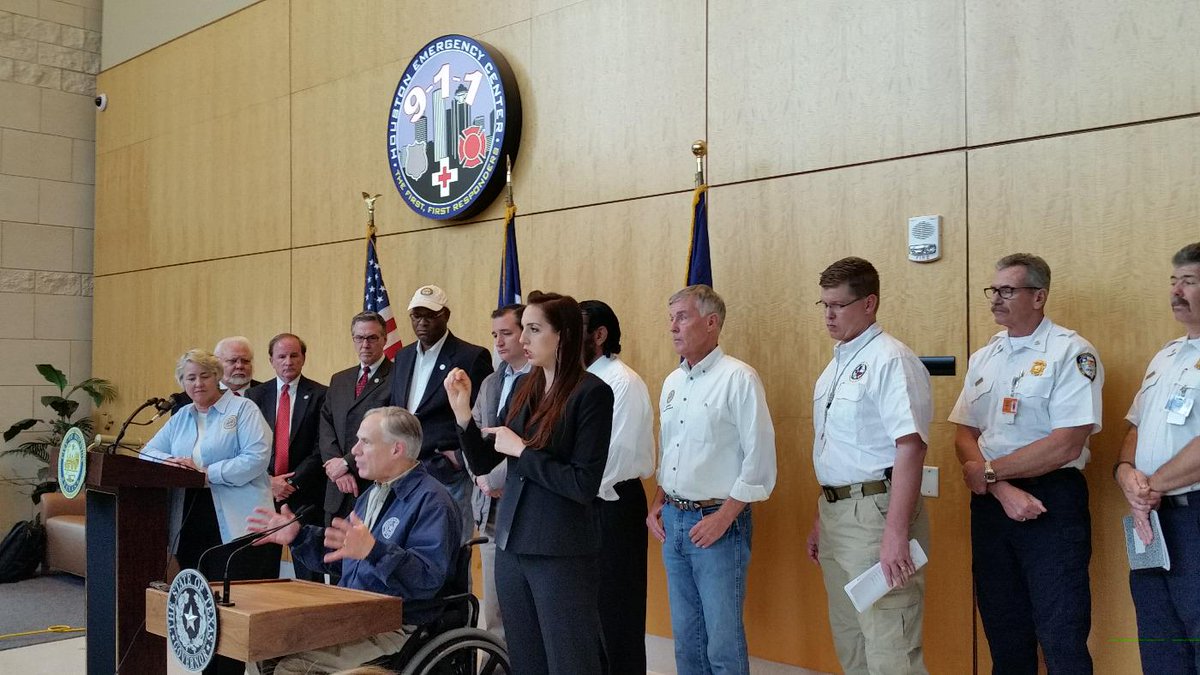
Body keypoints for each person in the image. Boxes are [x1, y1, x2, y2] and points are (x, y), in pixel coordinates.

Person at [446, 290, 613, 675]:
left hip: (559, 550)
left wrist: (522, 451)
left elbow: (582, 484)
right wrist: (463, 415)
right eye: (523, 329)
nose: (522, 339)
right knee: (524, 658)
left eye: (534, 330)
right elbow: (485, 461)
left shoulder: (592, 393)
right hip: (512, 542)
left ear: (563, 335)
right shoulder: (526, 388)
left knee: (569, 659)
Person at [951, 253, 1102, 674]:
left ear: (1039, 297)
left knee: (1061, 633)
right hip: (991, 501)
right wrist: (997, 486)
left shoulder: (1071, 352)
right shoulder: (986, 356)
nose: (995, 299)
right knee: (1004, 630)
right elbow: (964, 433)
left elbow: (1067, 443)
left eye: (1007, 290)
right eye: (993, 290)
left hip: (1050, 500)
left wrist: (990, 473)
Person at [247, 406, 461, 675]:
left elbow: (427, 579)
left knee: (292, 669)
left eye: (365, 442)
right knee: (261, 648)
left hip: (398, 626)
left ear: (396, 449)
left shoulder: (432, 501)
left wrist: (374, 551)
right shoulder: (372, 494)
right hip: (352, 615)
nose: (354, 450)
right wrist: (298, 537)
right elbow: (342, 557)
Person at [806, 257, 931, 675]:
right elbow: (840, 451)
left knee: (890, 645)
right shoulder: (834, 367)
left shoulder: (891, 360)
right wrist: (822, 516)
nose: (828, 315)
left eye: (838, 305)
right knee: (852, 641)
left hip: (877, 514)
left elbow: (910, 447)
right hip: (838, 513)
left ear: (869, 303)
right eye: (824, 305)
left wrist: (895, 534)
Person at [647, 284, 776, 675]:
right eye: (670, 318)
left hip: (718, 523)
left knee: (722, 643)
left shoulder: (739, 378)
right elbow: (671, 450)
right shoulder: (673, 382)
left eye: (682, 317)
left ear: (711, 322)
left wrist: (724, 518)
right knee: (687, 640)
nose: (672, 327)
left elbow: (760, 460)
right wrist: (658, 502)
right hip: (674, 521)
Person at [1116, 242, 1200, 672]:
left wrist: (1150, 486)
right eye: (1173, 281)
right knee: (1160, 643)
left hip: (1192, 515)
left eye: (1189, 281)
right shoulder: (1166, 355)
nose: (1176, 292)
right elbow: (1136, 426)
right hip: (1151, 518)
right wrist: (1125, 473)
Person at [141, 349, 277, 580]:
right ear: (182, 383)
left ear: (217, 376)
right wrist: (172, 463)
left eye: (205, 376)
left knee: (234, 588)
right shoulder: (181, 416)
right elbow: (146, 453)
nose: (198, 383)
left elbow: (256, 458)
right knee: (197, 587)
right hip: (189, 515)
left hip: (240, 520)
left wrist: (206, 474)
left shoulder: (243, 409)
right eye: (190, 378)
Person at [581, 299, 655, 675]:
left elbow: (612, 458)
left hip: (614, 503)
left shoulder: (621, 382)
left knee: (617, 614)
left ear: (599, 335)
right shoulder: (577, 381)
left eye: (575, 330)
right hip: (582, 503)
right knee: (588, 616)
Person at [390, 284, 492, 542]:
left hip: (447, 471)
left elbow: (483, 413)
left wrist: (459, 457)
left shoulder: (471, 356)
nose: (422, 322)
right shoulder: (403, 356)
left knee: (451, 546)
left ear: (445, 315)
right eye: (417, 315)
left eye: (430, 315)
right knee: (409, 545)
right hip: (406, 469)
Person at [465, 303, 530, 641]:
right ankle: (496, 662)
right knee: (493, 609)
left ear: (526, 333)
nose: (499, 342)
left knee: (524, 609)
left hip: (522, 503)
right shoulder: (491, 381)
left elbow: (529, 442)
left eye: (507, 333)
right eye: (495, 334)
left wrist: (494, 479)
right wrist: (479, 477)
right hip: (487, 509)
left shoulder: (541, 380)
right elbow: (473, 432)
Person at [246, 333, 329, 580]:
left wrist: (290, 483)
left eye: (294, 355)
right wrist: (269, 482)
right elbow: (248, 447)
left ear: (303, 358)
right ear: (271, 360)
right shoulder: (254, 396)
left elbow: (321, 447)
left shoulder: (322, 394)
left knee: (309, 573)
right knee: (261, 572)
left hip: (306, 495)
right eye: (281, 356)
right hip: (264, 494)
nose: (288, 362)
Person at [320, 312, 394, 525]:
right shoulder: (340, 379)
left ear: (384, 339)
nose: (365, 344)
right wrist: (337, 468)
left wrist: (347, 463)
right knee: (333, 545)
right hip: (337, 488)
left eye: (372, 338)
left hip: (373, 485)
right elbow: (326, 426)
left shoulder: (398, 376)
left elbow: (391, 430)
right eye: (359, 338)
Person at [169, 335, 263, 414]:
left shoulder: (268, 394)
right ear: (217, 364)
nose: (239, 366)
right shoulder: (185, 401)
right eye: (233, 361)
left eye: (245, 361)